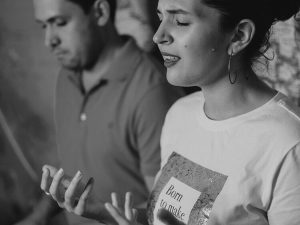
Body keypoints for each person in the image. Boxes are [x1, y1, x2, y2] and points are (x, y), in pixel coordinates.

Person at [41, 0, 300, 224]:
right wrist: (103, 212)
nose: (159, 35)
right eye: (160, 17)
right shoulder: (180, 114)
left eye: (180, 21)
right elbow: (164, 218)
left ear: (238, 36)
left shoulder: (287, 143)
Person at [16, 0, 183, 224]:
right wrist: (38, 217)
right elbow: (76, 168)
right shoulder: (66, 78)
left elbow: (167, 212)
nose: (49, 40)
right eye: (44, 26)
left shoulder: (152, 92)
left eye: (60, 23)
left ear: (100, 12)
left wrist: (99, 213)